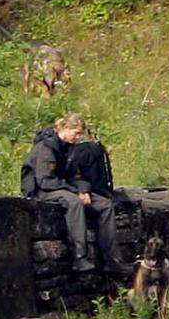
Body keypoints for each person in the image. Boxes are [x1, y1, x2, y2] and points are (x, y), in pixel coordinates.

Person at [21, 113, 130, 277]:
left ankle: (112, 260)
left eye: (80, 134)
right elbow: (46, 181)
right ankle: (79, 256)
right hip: (41, 191)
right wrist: (75, 192)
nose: (78, 138)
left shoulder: (69, 149)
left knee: (105, 204)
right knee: (74, 202)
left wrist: (83, 190)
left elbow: (76, 175)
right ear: (65, 128)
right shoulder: (46, 148)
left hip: (62, 186)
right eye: (76, 133)